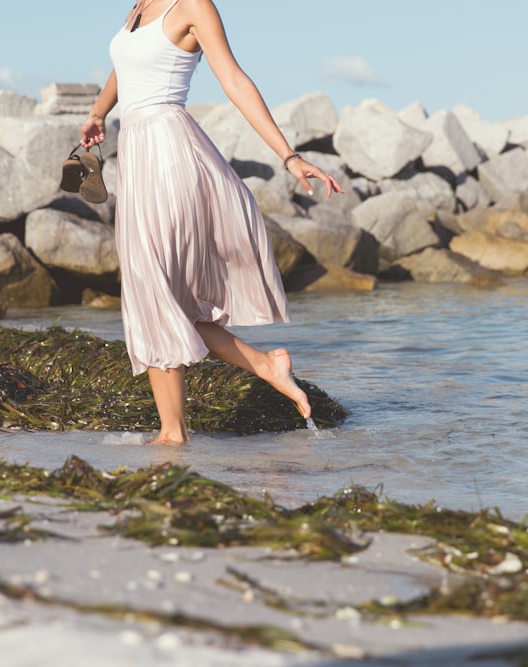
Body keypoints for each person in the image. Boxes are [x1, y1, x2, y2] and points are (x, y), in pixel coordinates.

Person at [80, 0, 343, 445]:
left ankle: (173, 434)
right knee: (155, 295)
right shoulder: (139, 7)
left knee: (153, 289)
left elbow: (234, 80)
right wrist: (99, 111)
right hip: (138, 155)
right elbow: (125, 65)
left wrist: (289, 156)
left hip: (170, 153)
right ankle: (262, 367)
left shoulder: (193, 5)